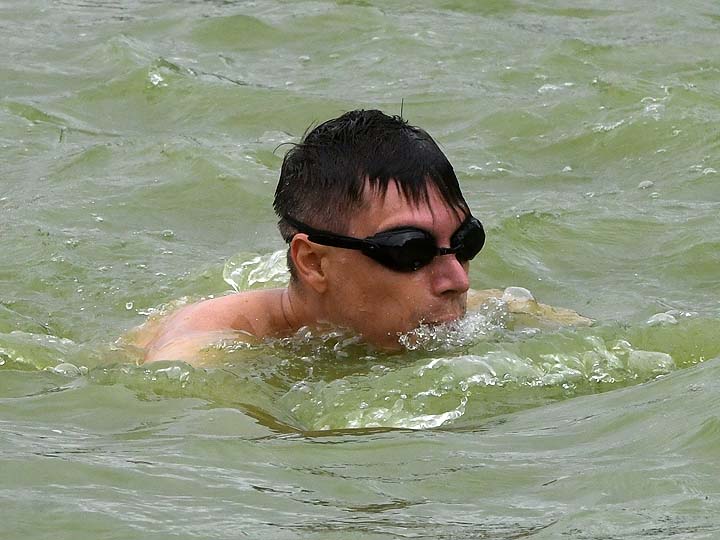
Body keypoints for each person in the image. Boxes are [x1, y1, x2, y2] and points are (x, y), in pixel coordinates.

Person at [132, 109, 586, 364]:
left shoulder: (487, 312)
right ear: (314, 262)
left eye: (466, 242)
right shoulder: (202, 351)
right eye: (410, 250)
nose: (457, 280)